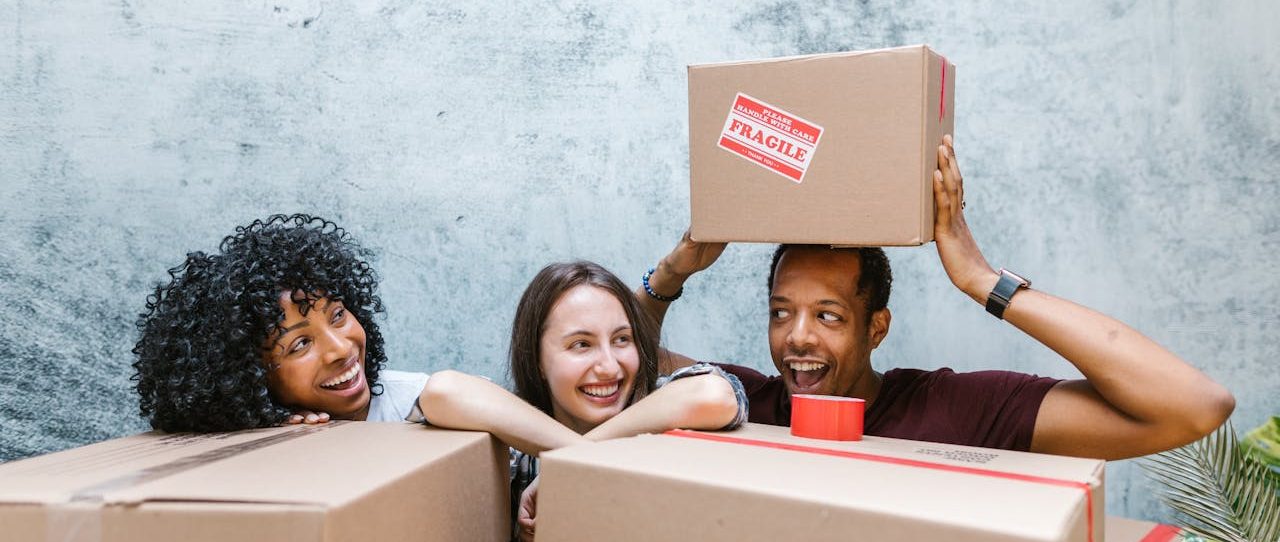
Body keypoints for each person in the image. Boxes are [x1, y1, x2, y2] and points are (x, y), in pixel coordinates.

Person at [637, 135, 1235, 461]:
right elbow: (625, 365)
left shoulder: (957, 410)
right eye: (781, 312)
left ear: (876, 328)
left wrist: (982, 281)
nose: (797, 336)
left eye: (828, 315)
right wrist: (671, 272)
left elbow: (1192, 407)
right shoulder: (741, 401)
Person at [419, 261, 747, 541]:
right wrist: (577, 456)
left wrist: (570, 463)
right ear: (536, 360)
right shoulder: (516, 458)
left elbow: (715, 396)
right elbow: (441, 392)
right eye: (581, 344)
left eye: (622, 339)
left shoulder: (662, 406)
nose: (608, 366)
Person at [132, 213, 427, 431]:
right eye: (300, 344)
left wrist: (440, 398)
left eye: (337, 315)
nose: (339, 349)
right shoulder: (257, 446)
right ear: (249, 379)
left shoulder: (412, 401)